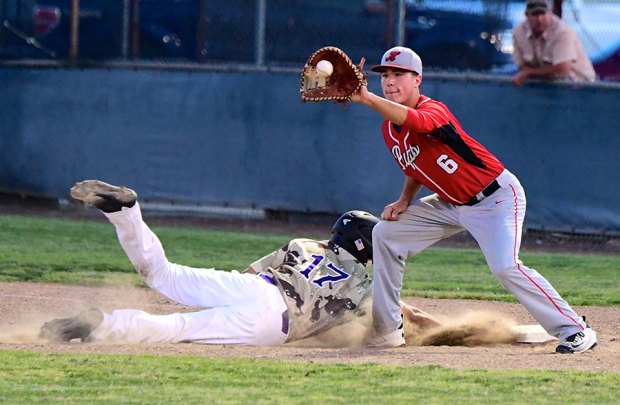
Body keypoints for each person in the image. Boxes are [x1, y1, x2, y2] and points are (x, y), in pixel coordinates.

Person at [349, 46, 597, 354]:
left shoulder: (433, 110)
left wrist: (367, 98)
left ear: (418, 80)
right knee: (385, 234)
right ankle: (387, 331)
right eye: (385, 75)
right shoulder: (389, 128)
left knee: (506, 267)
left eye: (399, 74)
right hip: (450, 204)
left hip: (496, 198)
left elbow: (417, 123)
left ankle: (575, 329)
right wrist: (403, 200)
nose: (389, 81)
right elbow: (414, 167)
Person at [40, 180, 439, 345]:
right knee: (177, 328)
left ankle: (126, 213)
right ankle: (104, 324)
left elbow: (251, 273)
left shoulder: (304, 244)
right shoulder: (364, 286)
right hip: (271, 322)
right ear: (367, 250)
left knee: (164, 274)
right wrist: (464, 331)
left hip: (254, 287)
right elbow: (409, 315)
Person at [511, 0, 596, 86]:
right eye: (535, 14)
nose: (539, 19)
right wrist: (528, 72)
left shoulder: (562, 31)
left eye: (543, 14)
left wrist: (529, 72)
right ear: (526, 15)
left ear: (550, 13)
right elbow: (521, 65)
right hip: (548, 87)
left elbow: (563, 69)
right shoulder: (518, 32)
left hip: (581, 86)